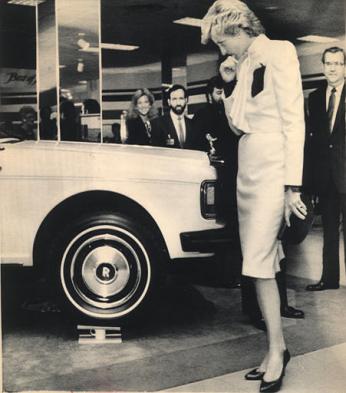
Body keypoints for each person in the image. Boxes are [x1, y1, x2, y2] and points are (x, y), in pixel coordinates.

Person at [201, 1, 307, 391]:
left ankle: (277, 351)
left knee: (259, 264)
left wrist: (291, 185)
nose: (221, 52)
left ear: (237, 31)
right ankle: (275, 347)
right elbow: (237, 123)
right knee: (261, 262)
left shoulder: (280, 52)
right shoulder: (242, 65)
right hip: (248, 168)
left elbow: (294, 120)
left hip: (273, 170)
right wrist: (229, 83)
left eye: (221, 43)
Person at [192, 75, 242, 287]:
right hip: (215, 178)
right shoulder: (203, 115)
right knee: (220, 226)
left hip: (235, 175)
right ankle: (221, 275)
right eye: (218, 92)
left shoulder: (235, 113)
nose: (222, 96)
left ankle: (234, 274)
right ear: (210, 94)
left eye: (224, 92)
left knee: (235, 227)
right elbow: (194, 144)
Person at [305, 47, 345, 291]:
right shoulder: (316, 97)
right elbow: (314, 141)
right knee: (329, 231)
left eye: (338, 63)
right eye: (328, 63)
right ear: (322, 66)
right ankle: (329, 279)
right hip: (327, 177)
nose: (332, 68)